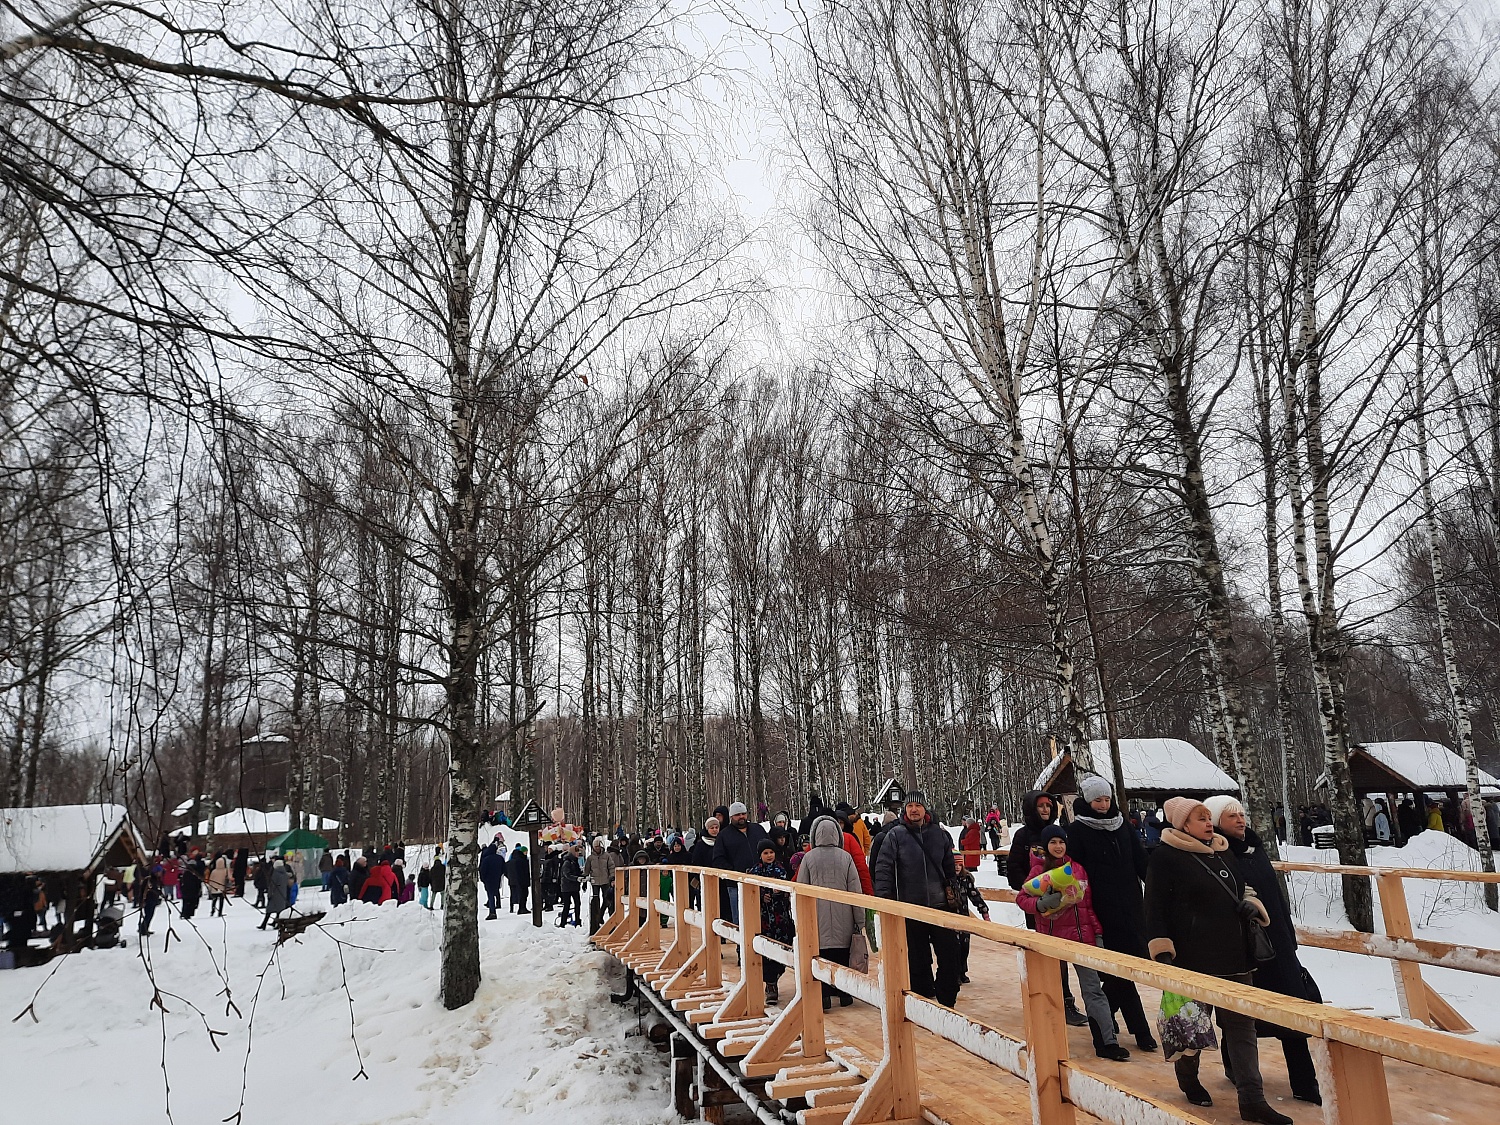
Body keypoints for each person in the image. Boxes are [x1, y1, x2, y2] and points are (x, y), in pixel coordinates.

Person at [1145, 796, 1288, 1125]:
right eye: (1200, 818)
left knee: (1242, 1030)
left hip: (1237, 957)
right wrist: (1162, 951)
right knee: (1190, 1030)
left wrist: (1252, 904)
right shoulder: (1166, 857)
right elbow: (1153, 907)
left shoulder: (1223, 849)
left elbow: (1243, 887)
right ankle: (1188, 1077)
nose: (1209, 823)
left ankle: (1252, 1099)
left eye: (1209, 817)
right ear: (1183, 825)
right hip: (1193, 960)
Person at [1206, 795, 1322, 1107]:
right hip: (1244, 945)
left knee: (1291, 1011)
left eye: (1241, 815)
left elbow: (1275, 896)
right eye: (1232, 817)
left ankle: (1305, 1082)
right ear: (1217, 822)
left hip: (1278, 943)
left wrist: (1288, 935)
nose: (1240, 820)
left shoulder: (1256, 850)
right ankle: (1235, 1068)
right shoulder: (1216, 854)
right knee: (1239, 1012)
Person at [1017, 826, 1130, 1061]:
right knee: (1050, 993)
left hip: (1082, 938)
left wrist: (1097, 934)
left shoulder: (1078, 869)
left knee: (1093, 990)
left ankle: (1106, 1042)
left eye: (1061, 842)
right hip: (1052, 940)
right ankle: (1048, 1043)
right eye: (1053, 842)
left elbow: (1087, 906)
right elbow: (1022, 898)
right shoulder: (1038, 870)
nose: (1058, 847)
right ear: (1046, 846)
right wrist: (1040, 904)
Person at [1066, 775, 1158, 1051]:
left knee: (1125, 968)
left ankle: (1110, 1018)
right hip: (1100, 909)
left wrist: (1156, 886)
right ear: (1087, 801)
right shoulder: (1078, 831)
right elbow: (1076, 873)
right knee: (1118, 970)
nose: (1103, 805)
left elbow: (1141, 861)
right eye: (1098, 800)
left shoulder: (1123, 827)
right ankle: (1139, 1031)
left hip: (1132, 907)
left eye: (1106, 799)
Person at [870, 792, 961, 1008]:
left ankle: (947, 999)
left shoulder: (939, 835)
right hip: (911, 908)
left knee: (951, 956)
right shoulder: (896, 836)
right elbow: (883, 870)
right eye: (910, 805)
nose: (914, 810)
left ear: (924, 809)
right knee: (918, 960)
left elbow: (949, 867)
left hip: (940, 907)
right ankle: (923, 1001)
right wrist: (886, 901)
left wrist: (954, 892)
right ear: (905, 809)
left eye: (918, 806)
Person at [1008, 790, 1088, 1027]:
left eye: (1048, 806)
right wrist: (1033, 889)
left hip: (1067, 904)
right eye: (1041, 806)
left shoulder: (1060, 834)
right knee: (1049, 956)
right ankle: (1057, 999)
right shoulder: (1023, 837)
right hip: (1040, 905)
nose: (1045, 810)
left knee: (1065, 953)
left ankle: (1064, 1000)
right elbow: (1014, 868)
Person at [796, 814, 866, 1009]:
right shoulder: (846, 857)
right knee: (842, 956)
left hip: (817, 918)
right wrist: (859, 920)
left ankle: (824, 996)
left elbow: (801, 888)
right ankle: (844, 995)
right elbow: (855, 889)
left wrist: (800, 919)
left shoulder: (809, 857)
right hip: (844, 915)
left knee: (823, 956)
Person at [745, 841, 795, 1005]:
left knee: (781, 949)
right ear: (760, 854)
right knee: (765, 952)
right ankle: (771, 985)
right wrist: (761, 896)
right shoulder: (755, 871)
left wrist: (780, 893)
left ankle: (776, 977)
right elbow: (749, 890)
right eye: (766, 853)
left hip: (780, 918)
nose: (769, 856)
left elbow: (788, 889)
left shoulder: (780, 870)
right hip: (763, 919)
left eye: (771, 852)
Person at [712, 801, 769, 923]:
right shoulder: (724, 835)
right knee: (740, 919)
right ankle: (741, 942)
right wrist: (735, 872)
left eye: (743, 813)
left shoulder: (758, 830)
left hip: (761, 882)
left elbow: (770, 849)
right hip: (736, 885)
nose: (741, 817)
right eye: (738, 814)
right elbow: (718, 859)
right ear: (731, 817)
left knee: (761, 918)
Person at [586, 836, 618, 931]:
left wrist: (612, 877)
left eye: (598, 847)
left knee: (607, 899)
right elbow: (587, 869)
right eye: (595, 847)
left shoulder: (607, 856)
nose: (597, 848)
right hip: (595, 881)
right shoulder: (590, 858)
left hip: (605, 880)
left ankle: (606, 916)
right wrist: (585, 877)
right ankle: (596, 918)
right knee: (596, 899)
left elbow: (611, 867)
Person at [258, 858, 291, 930]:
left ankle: (264, 924)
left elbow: (272, 885)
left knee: (269, 911)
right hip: (282, 894)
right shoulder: (285, 873)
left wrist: (269, 894)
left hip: (275, 895)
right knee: (279, 911)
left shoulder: (275, 873)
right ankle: (277, 924)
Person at [557, 845, 584, 927]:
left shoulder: (575, 861)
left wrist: (583, 876)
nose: (578, 854)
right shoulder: (567, 862)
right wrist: (577, 878)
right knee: (567, 905)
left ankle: (577, 920)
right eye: (576, 852)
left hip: (575, 887)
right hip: (567, 887)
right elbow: (567, 875)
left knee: (577, 904)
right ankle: (563, 922)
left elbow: (577, 872)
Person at [480, 840, 506, 919]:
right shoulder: (500, 858)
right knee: (496, 891)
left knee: (490, 895)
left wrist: (483, 879)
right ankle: (497, 904)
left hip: (488, 879)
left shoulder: (486, 859)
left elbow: (482, 870)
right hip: (497, 878)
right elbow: (504, 869)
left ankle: (492, 911)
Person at [179, 851, 205, 921]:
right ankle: (188, 913)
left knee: (185, 902)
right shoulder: (195, 873)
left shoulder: (185, 873)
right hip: (193, 890)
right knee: (192, 902)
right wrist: (198, 889)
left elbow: (181, 881)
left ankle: (184, 913)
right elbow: (197, 882)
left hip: (185, 890)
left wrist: (181, 888)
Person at [506, 844, 531, 913]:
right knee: (523, 894)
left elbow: (506, 869)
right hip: (522, 880)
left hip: (514, 880)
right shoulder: (522, 860)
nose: (526, 853)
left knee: (514, 893)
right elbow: (524, 871)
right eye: (525, 852)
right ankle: (522, 908)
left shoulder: (513, 860)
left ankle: (514, 908)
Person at [206, 851, 232, 917]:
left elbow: (211, 880)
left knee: (214, 900)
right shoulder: (225, 870)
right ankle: (220, 912)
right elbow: (229, 877)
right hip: (222, 888)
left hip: (214, 889)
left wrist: (210, 888)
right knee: (221, 901)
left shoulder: (214, 871)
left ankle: (212, 911)